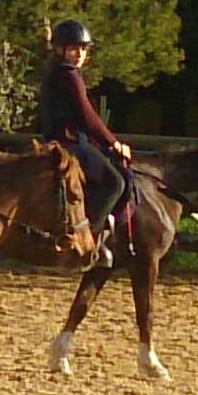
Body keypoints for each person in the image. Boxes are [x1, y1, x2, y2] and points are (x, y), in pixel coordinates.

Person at [34, 19, 133, 243]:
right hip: (69, 142)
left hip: (67, 139)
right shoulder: (68, 75)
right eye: (73, 49)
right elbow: (87, 115)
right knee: (115, 182)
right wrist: (114, 143)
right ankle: (89, 236)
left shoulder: (56, 73)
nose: (79, 54)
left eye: (83, 49)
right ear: (60, 50)